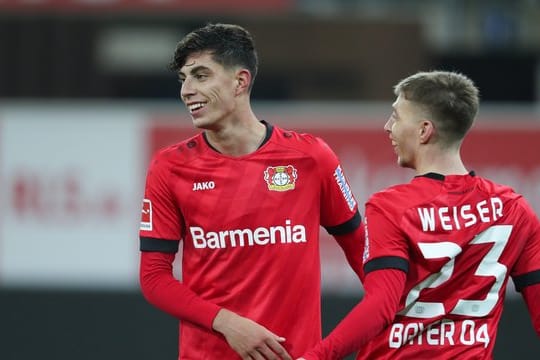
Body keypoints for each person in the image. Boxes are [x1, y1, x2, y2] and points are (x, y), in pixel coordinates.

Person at [138, 23, 365, 360]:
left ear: (240, 81)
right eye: (183, 79)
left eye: (200, 76)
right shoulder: (169, 167)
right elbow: (154, 278)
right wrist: (226, 323)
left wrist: (408, 315)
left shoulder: (311, 157)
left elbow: (364, 254)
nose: (187, 90)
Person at [298, 70, 540, 360]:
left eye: (396, 117)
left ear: (424, 131)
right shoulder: (514, 209)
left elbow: (380, 308)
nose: (388, 127)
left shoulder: (391, 207)